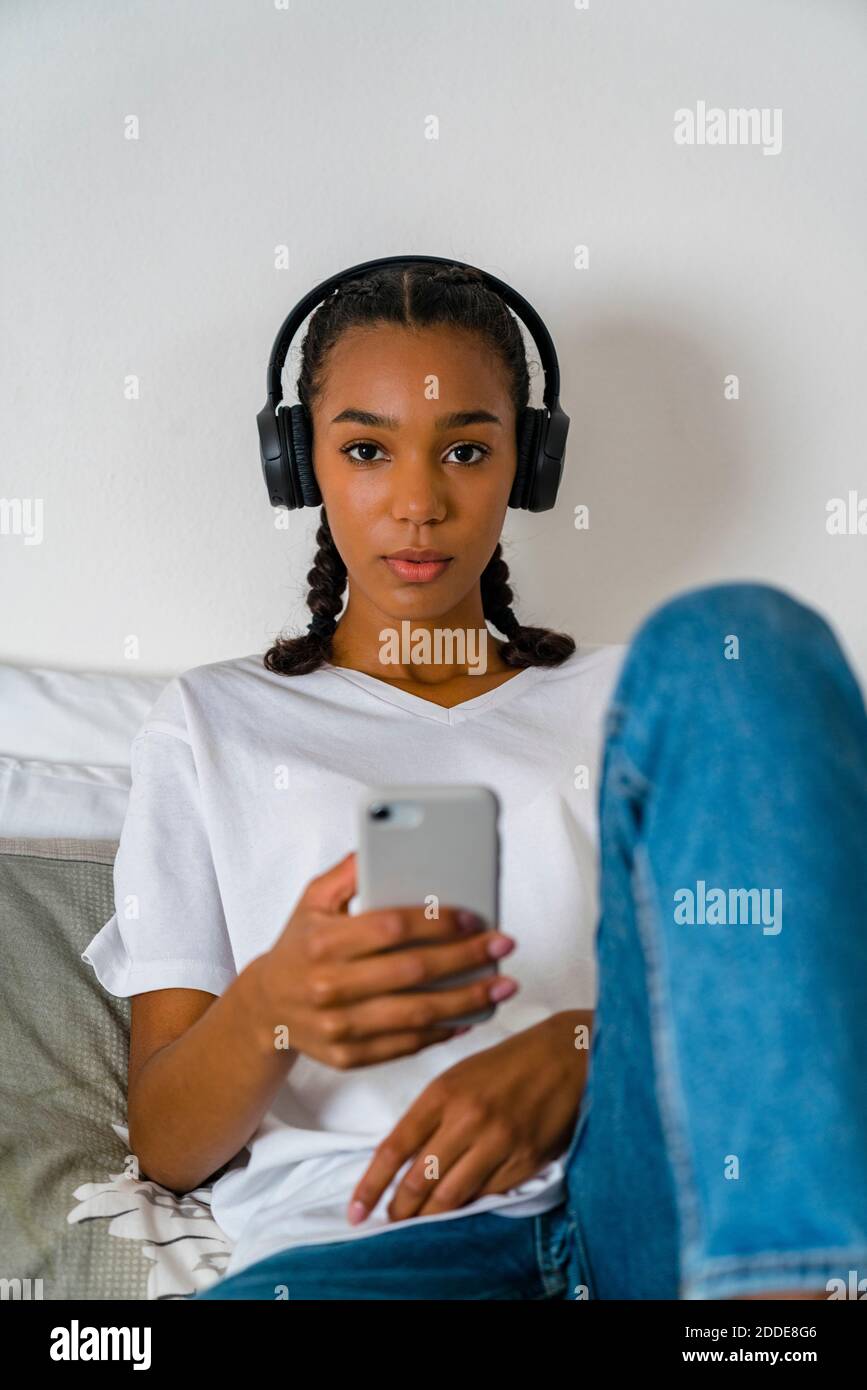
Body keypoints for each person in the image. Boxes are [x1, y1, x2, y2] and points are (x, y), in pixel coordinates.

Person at [81, 262, 867, 1300]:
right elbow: (171, 1144)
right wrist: (272, 1003)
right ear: (303, 463)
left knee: (740, 634)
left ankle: (776, 1311)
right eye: (366, 449)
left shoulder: (642, 704)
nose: (418, 501)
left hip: (647, 1204)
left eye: (465, 449)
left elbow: (783, 969)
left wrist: (585, 1044)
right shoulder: (212, 722)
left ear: (526, 466)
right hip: (365, 1237)